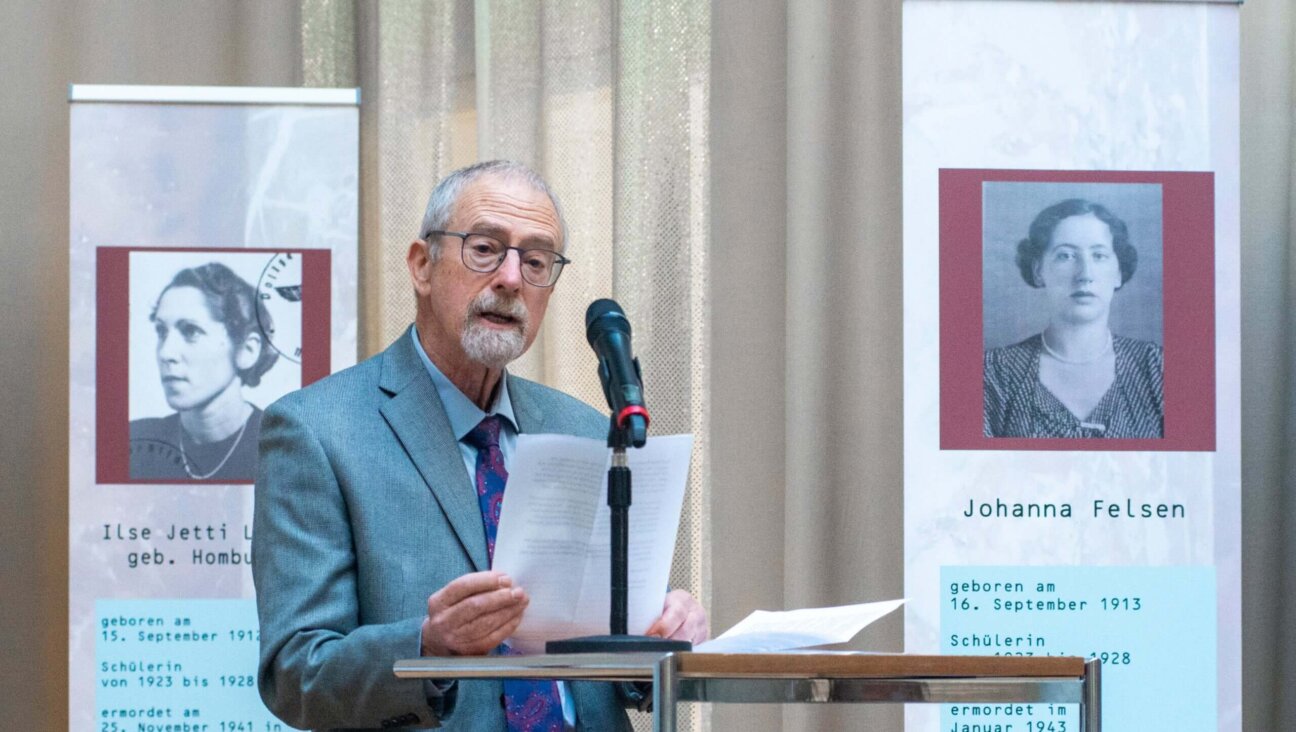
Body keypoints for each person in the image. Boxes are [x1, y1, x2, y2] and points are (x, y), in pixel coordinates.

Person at [252, 160, 708, 731]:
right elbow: (296, 676)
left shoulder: (591, 432)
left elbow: (618, 660)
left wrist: (664, 636)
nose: (512, 279)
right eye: (486, 249)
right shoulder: (316, 431)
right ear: (422, 264)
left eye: (536, 261)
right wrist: (429, 646)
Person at [984, 198, 1163, 439]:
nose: (1085, 274)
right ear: (1039, 271)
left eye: (1099, 256)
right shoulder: (994, 373)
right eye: (1066, 256)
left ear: (1118, 273)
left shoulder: (1158, 368)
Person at [129, 262, 278, 480]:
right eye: (161, 331)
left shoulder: (281, 446)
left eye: (191, 331)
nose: (165, 353)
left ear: (247, 350)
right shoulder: (136, 442)